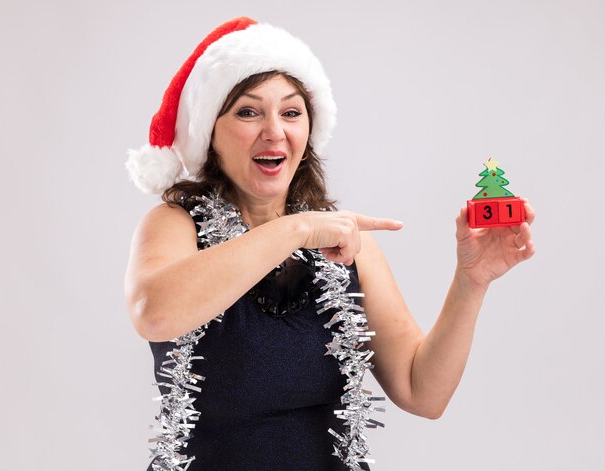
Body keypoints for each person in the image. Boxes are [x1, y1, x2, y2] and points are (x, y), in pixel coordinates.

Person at [124, 17, 536, 471]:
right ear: (210, 134)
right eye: (247, 111)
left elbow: (423, 393)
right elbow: (154, 312)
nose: (274, 131)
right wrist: (297, 229)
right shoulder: (175, 225)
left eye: (291, 112)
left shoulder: (345, 246)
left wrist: (471, 281)